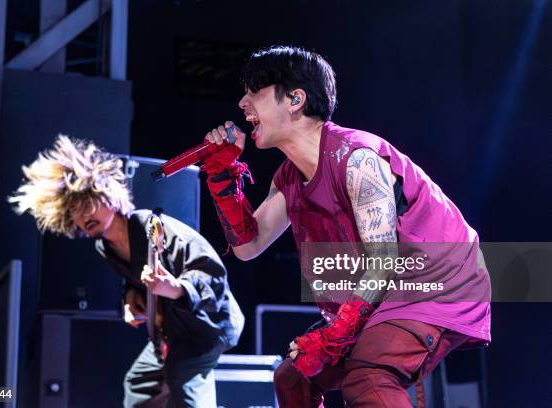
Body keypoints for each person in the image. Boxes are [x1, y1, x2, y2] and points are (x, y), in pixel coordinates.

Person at [202, 46, 490, 407]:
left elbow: (383, 262)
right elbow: (248, 247)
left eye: (254, 92)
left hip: (436, 280)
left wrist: (335, 334)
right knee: (292, 379)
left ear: (295, 99)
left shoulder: (358, 159)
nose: (243, 103)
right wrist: (224, 182)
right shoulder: (288, 177)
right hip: (386, 288)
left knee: (370, 376)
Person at [9, 135, 244, 408]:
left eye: (86, 203)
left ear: (106, 193)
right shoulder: (104, 247)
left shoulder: (153, 227)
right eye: (74, 212)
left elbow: (212, 278)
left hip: (205, 326)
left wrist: (174, 288)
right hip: (170, 329)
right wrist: (131, 301)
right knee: (139, 385)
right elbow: (133, 281)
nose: (83, 217)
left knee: (183, 379)